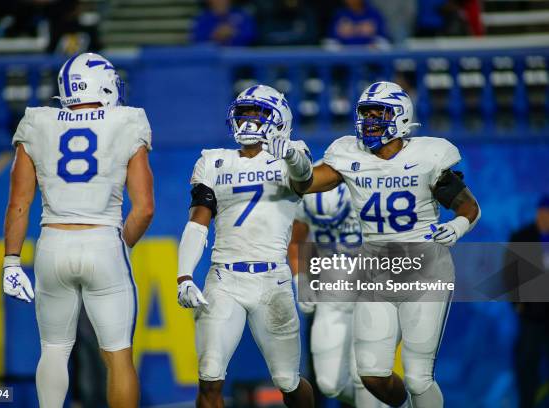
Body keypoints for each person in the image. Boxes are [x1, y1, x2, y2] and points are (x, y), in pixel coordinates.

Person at [300, 81, 481, 407]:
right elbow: (308, 182)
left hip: (425, 270)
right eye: (365, 113)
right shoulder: (349, 155)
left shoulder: (426, 156)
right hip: (376, 272)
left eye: (377, 113)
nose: (369, 120)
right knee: (371, 374)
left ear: (400, 117)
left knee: (417, 377)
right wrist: (292, 165)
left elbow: (468, 206)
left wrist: (457, 225)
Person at [3, 52, 154, 408]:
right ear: (102, 84)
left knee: (53, 351)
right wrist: (122, 246)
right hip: (103, 240)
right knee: (118, 356)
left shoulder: (37, 121)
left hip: (52, 242)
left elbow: (19, 204)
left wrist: (11, 261)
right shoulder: (127, 121)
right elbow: (145, 209)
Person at [176, 84, 315, 407]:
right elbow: (198, 221)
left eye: (258, 114)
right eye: (243, 114)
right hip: (224, 279)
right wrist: (184, 275)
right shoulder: (213, 161)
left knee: (287, 381)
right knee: (209, 376)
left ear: (278, 119)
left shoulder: (292, 154)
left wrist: (291, 154)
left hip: (272, 280)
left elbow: (304, 178)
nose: (248, 122)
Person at [288, 183, 388, 408]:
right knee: (329, 384)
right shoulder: (311, 183)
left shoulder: (375, 179)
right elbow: (295, 240)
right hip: (332, 293)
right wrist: (300, 279)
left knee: (365, 374)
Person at [504, 195, 549, 408]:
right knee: (526, 363)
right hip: (531, 315)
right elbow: (510, 274)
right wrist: (518, 304)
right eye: (544, 212)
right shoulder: (522, 236)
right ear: (538, 212)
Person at [191, 0, 256, 46]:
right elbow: (197, 39)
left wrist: (233, 33)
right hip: (211, 60)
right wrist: (214, 36)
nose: (221, 1)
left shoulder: (242, 15)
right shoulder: (202, 18)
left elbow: (251, 35)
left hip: (239, 58)